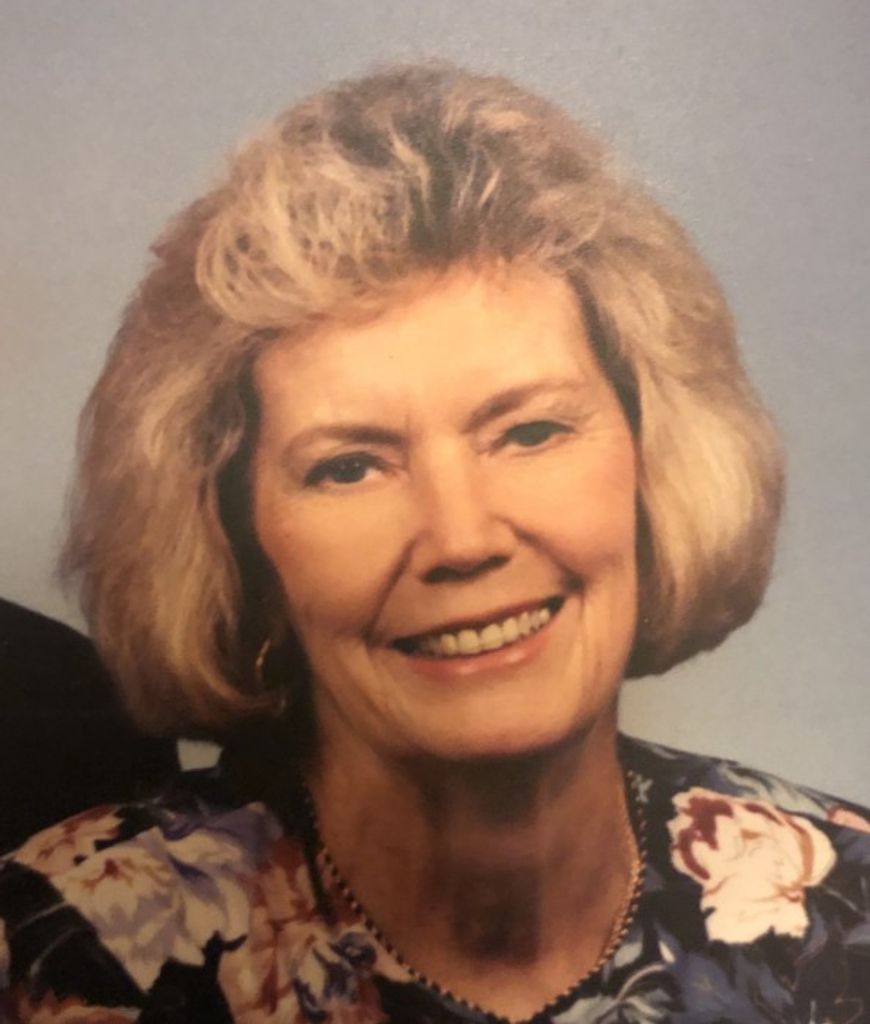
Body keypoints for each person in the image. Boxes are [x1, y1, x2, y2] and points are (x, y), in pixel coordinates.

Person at [1, 62, 868, 1023]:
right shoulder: (70, 953)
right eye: (349, 467)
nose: (460, 538)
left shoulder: (844, 908)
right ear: (237, 542)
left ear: (654, 464)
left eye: (529, 431)